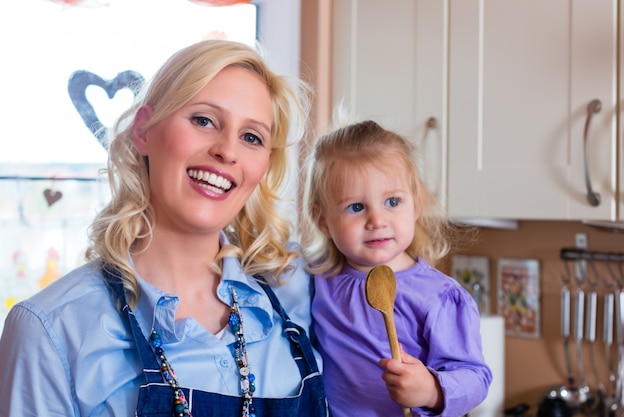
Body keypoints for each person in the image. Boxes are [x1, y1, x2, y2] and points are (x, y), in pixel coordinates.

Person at [0, 40, 330, 417]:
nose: (228, 150)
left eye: (251, 137)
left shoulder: (297, 301)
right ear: (143, 131)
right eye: (204, 120)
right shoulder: (51, 330)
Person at [300, 120, 492, 417]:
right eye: (356, 207)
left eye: (392, 201)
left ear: (415, 205)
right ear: (323, 220)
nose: (377, 220)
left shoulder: (439, 297)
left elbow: (475, 377)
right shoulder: (317, 278)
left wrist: (430, 390)